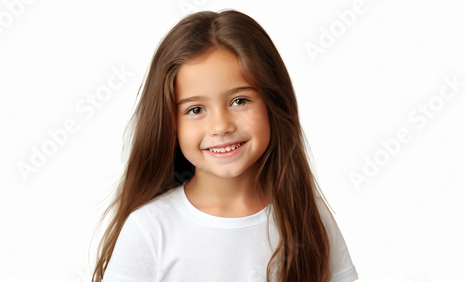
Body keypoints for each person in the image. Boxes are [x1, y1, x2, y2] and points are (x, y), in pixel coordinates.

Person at [92, 9, 358, 282]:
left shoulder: (306, 215)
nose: (220, 126)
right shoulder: (149, 229)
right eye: (196, 109)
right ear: (170, 125)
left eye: (239, 101)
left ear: (273, 104)